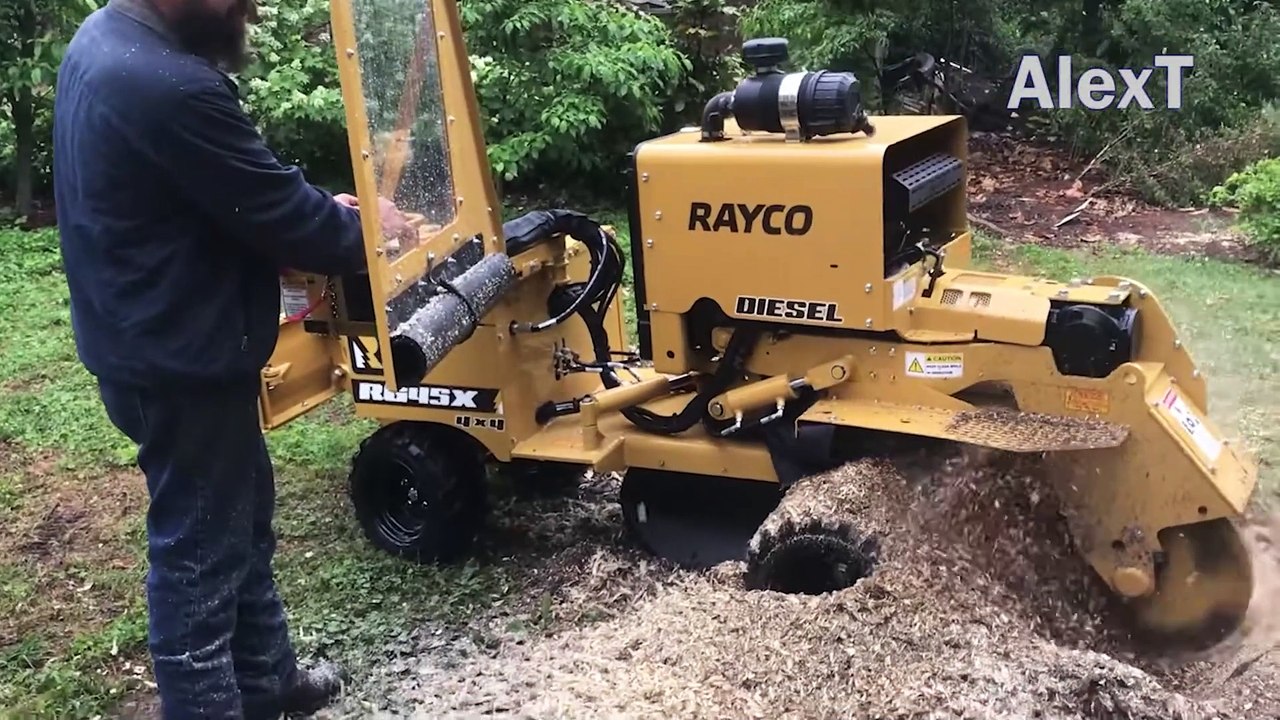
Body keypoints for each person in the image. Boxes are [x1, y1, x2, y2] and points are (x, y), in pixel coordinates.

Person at [52, 0, 411, 716]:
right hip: (177, 361)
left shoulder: (107, 36)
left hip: (148, 338)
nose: (249, 7)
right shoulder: (171, 86)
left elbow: (217, 195)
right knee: (199, 553)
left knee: (239, 518)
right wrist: (366, 228)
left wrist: (314, 214)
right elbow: (284, 218)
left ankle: (266, 680)